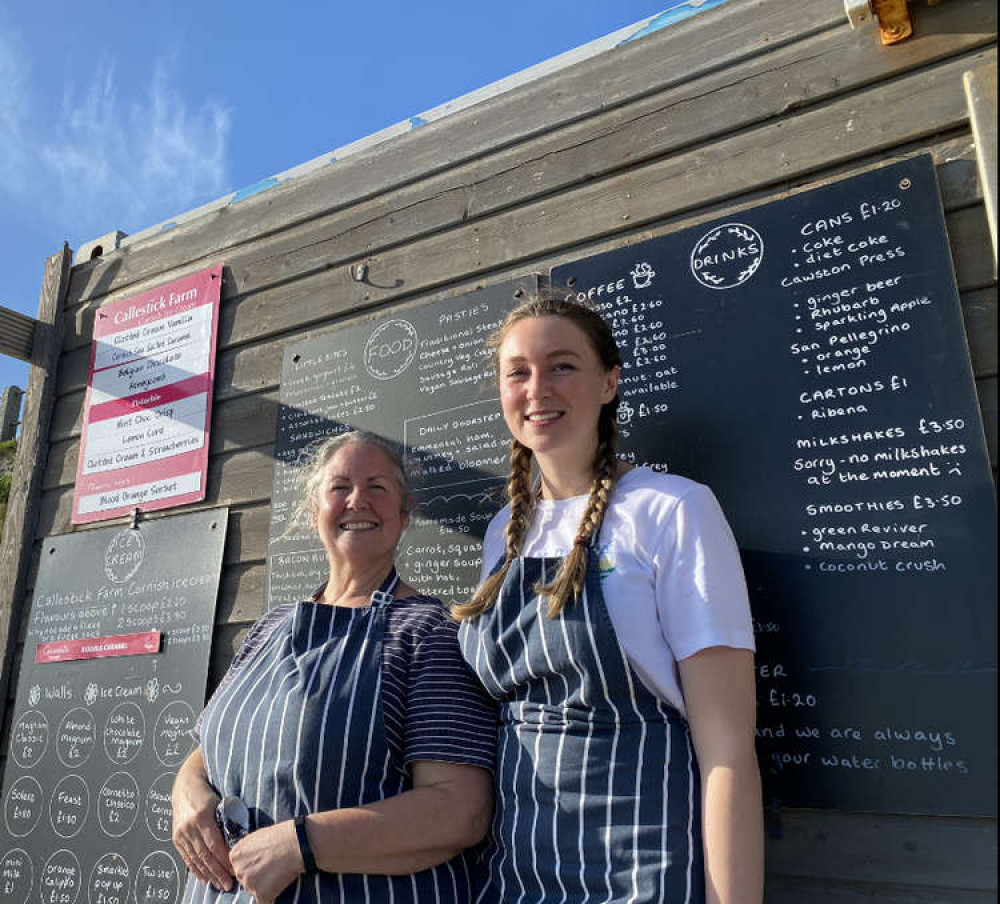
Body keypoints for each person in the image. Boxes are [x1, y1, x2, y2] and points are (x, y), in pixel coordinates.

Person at [454, 293, 763, 904]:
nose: (537, 388)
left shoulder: (673, 510)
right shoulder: (502, 533)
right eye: (518, 372)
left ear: (609, 382)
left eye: (562, 365)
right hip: (518, 861)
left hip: (639, 861)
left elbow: (727, 749)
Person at [173, 431, 496, 904]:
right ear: (313, 512)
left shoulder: (427, 632)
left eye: (378, 488)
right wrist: (186, 793)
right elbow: (210, 748)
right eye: (340, 487)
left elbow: (459, 809)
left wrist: (301, 843)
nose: (358, 500)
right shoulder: (271, 626)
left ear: (405, 515)